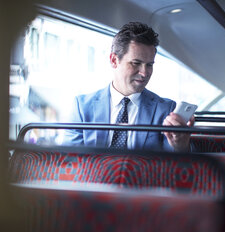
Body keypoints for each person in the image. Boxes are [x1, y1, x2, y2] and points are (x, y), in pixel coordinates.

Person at [63, 22, 195, 152]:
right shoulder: (82, 107)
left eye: (149, 65)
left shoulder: (166, 110)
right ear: (114, 60)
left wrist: (181, 146)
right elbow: (71, 162)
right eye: (136, 63)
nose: (144, 73)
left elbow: (174, 166)